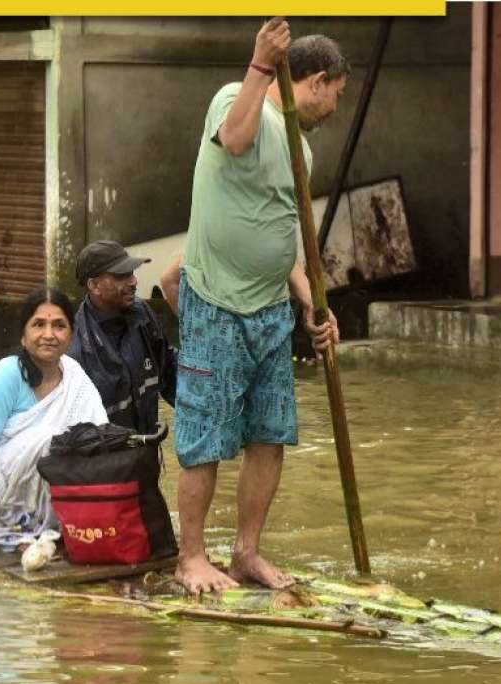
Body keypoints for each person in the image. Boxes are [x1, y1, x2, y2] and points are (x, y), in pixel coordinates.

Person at [168, 18, 345, 594]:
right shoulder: (235, 99)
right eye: (336, 95)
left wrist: (311, 304)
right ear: (317, 81)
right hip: (217, 298)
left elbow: (284, 238)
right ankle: (191, 557)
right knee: (205, 433)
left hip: (270, 307)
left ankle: (246, 553)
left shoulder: (303, 152)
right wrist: (260, 62)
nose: (334, 109)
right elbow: (236, 139)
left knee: (269, 435)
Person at [0, 288, 108, 567]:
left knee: (86, 440)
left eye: (59, 325)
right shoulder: (6, 376)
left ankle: (51, 526)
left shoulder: (75, 377)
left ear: (70, 334)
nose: (49, 334)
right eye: (38, 324)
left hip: (44, 492)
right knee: (51, 438)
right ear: (23, 335)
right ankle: (14, 531)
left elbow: (100, 438)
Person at [66, 240, 177, 434]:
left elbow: (170, 372)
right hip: (106, 460)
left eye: (132, 273)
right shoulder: (76, 350)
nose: (134, 281)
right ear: (94, 285)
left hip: (146, 453)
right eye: (121, 276)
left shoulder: (143, 315)